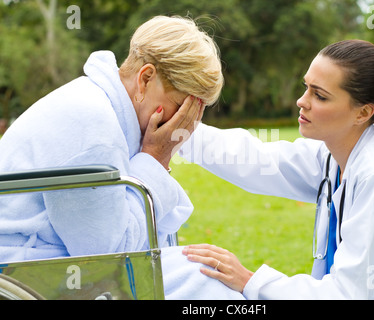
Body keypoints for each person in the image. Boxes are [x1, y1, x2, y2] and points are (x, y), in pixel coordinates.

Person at [180, 40, 374, 299]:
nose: (302, 101)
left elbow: (345, 294)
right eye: (306, 87)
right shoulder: (334, 155)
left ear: (362, 113)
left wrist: (251, 281)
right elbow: (256, 160)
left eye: (319, 95)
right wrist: (179, 130)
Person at [0, 15, 244, 299]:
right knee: (208, 284)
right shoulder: (91, 125)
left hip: (47, 267)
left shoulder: (100, 108)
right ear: (146, 78)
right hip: (27, 276)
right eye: (181, 107)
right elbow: (109, 257)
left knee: (209, 275)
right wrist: (155, 158)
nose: (184, 125)